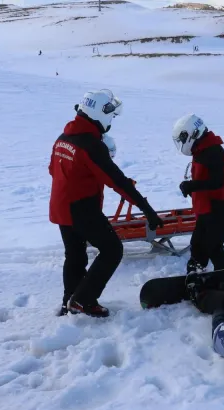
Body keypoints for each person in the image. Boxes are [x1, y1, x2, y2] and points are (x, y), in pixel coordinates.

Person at [49, 89, 164, 317]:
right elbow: (117, 181)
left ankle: (70, 300)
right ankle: (84, 300)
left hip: (61, 206)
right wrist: (147, 209)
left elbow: (53, 170)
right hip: (81, 208)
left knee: (75, 255)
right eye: (110, 114)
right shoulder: (90, 144)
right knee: (112, 250)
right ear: (98, 112)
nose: (111, 119)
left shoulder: (63, 139)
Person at [172, 114, 224, 274]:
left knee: (213, 246)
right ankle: (196, 273)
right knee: (198, 245)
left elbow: (217, 181)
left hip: (219, 207)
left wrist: (191, 185)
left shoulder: (212, 150)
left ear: (190, 134)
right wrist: (191, 187)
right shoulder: (203, 149)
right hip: (207, 208)